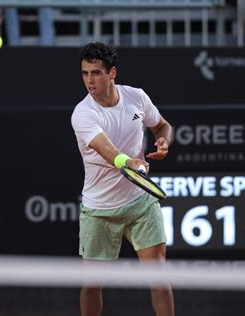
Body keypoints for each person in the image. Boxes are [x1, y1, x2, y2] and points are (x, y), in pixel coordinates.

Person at [71, 42, 175, 316]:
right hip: (99, 210)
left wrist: (163, 140)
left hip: (140, 203)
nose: (90, 81)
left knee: (159, 279)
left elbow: (162, 125)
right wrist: (129, 162)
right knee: (92, 286)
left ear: (112, 73)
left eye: (96, 73)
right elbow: (109, 151)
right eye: (85, 74)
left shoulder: (136, 97)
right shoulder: (83, 113)